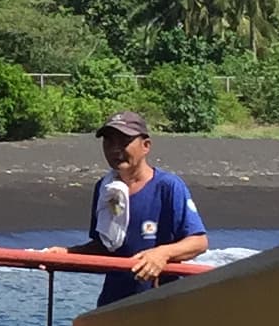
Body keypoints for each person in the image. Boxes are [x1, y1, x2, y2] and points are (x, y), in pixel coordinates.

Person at [83, 110, 208, 305]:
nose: (115, 149)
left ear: (146, 145)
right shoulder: (105, 188)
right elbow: (105, 247)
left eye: (124, 142)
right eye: (109, 142)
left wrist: (162, 254)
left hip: (160, 304)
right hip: (113, 305)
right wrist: (64, 254)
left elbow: (199, 242)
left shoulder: (168, 186)